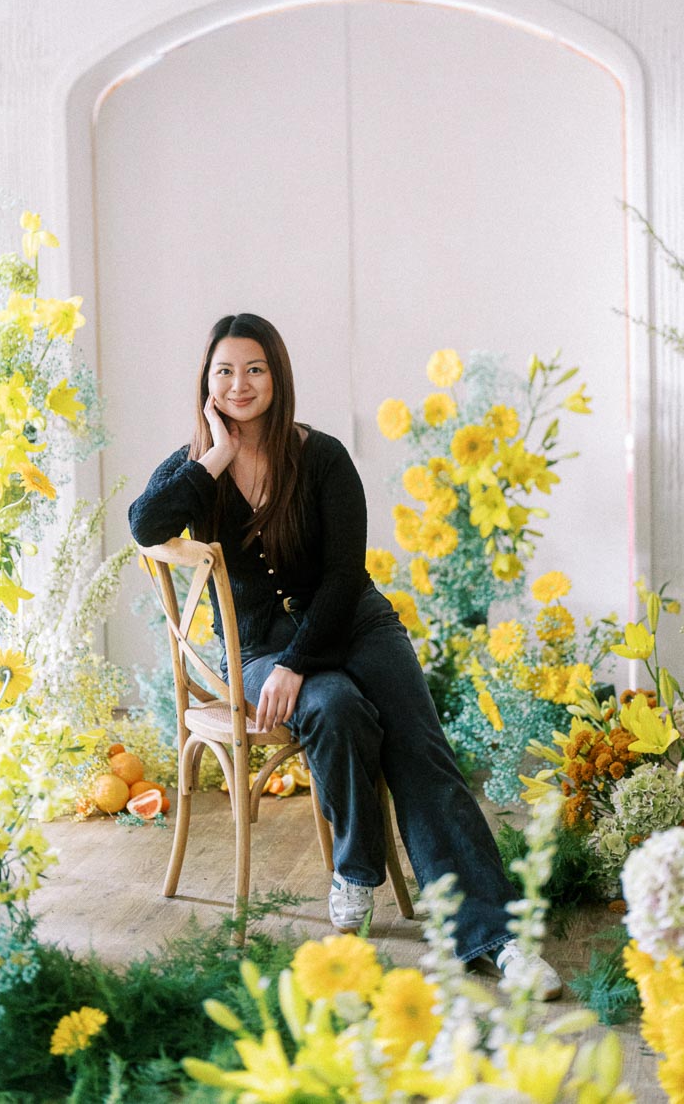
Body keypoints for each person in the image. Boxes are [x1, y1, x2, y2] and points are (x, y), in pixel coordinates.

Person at [129, 313, 562, 999]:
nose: (239, 383)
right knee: (335, 709)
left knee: (423, 753)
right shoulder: (193, 465)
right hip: (262, 650)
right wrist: (212, 457)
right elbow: (144, 525)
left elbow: (341, 576)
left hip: (354, 626)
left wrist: (302, 661)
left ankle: (496, 939)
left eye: (254, 369)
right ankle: (358, 868)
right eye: (225, 371)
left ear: (278, 376)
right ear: (207, 383)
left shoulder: (323, 456)